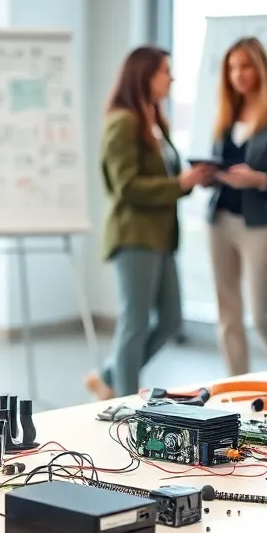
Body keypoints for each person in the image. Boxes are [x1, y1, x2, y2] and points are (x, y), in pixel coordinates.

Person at [86, 47, 215, 399]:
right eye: (164, 71)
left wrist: (188, 180)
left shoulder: (154, 121)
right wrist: (179, 183)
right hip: (134, 236)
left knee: (171, 319)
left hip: (160, 237)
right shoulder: (124, 122)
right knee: (135, 323)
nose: (171, 78)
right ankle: (127, 403)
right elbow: (126, 186)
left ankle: (108, 376)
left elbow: (167, 178)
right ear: (144, 75)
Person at [205, 38, 267, 375]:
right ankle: (237, 385)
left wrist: (257, 179)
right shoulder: (227, 113)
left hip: (262, 224)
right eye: (232, 68)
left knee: (262, 316)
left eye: (245, 66)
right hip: (220, 220)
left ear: (261, 68)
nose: (238, 74)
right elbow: (222, 162)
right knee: (228, 313)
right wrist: (209, 175)